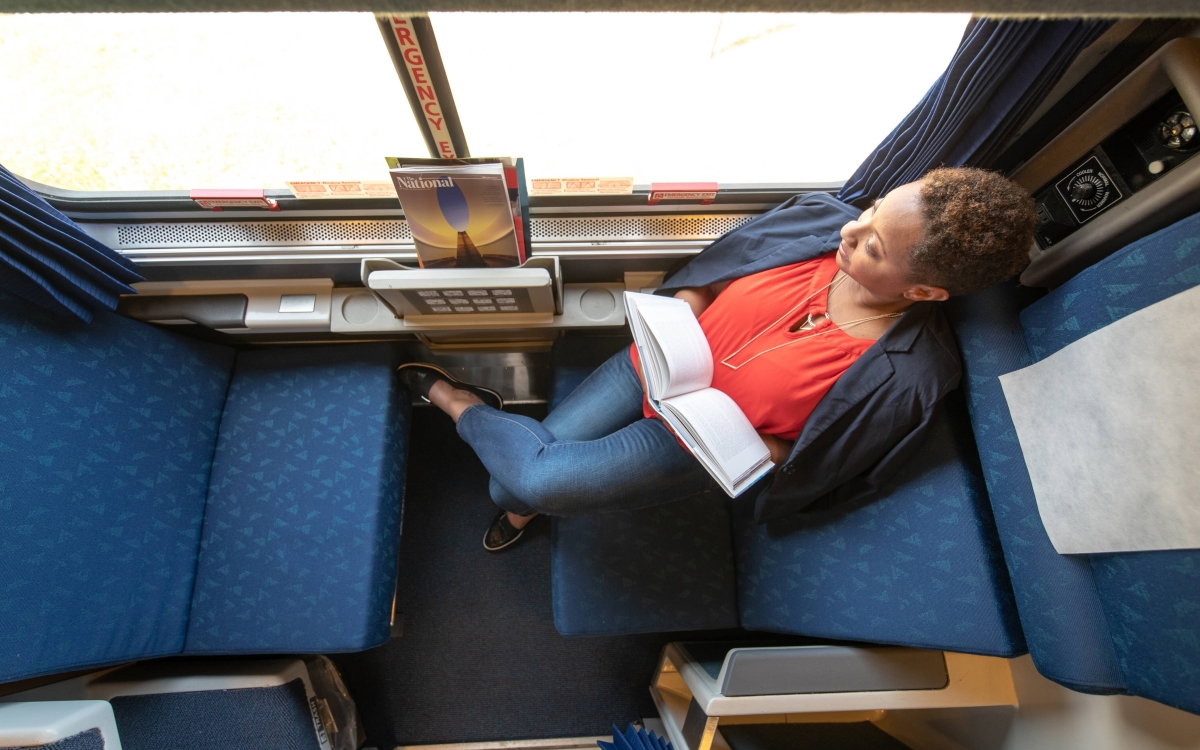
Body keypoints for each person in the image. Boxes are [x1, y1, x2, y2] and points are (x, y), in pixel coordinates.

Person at [399, 167, 1038, 552]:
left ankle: (461, 402)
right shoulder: (815, 219)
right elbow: (706, 275)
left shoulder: (917, 375)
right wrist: (680, 313)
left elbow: (823, 457)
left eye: (873, 244)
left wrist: (751, 447)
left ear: (922, 291)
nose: (849, 229)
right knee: (516, 482)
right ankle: (503, 467)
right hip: (650, 365)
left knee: (521, 481)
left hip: (692, 443)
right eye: (871, 211)